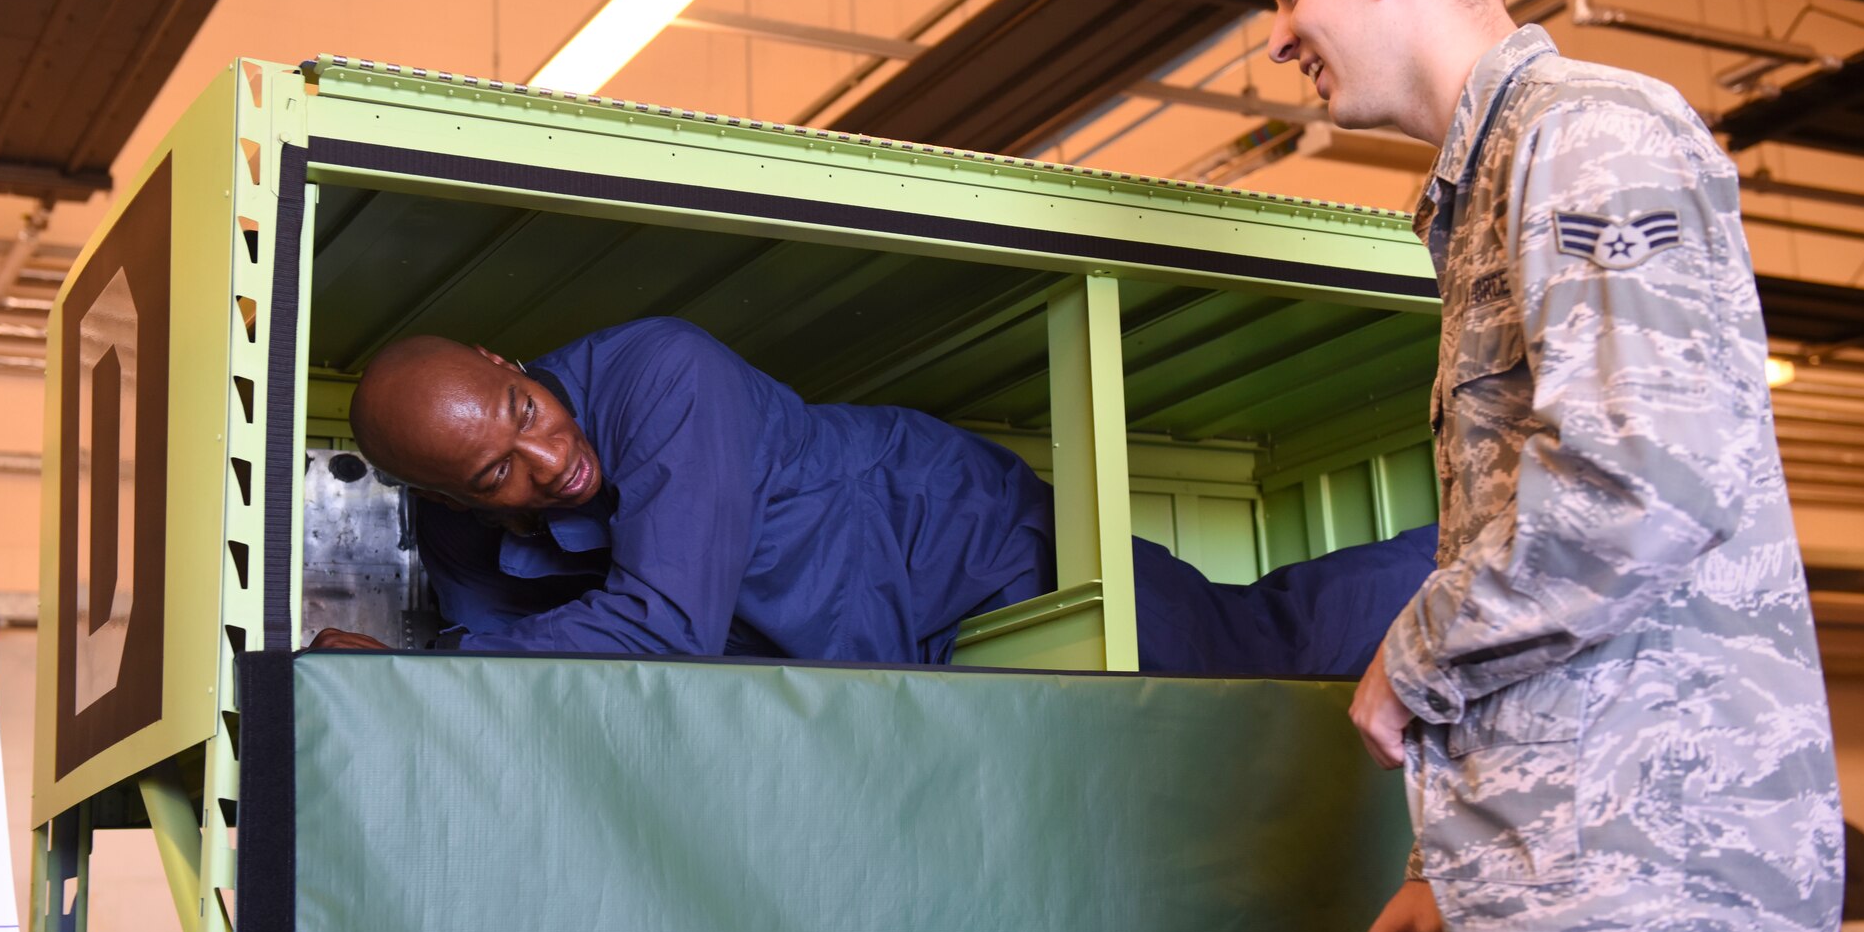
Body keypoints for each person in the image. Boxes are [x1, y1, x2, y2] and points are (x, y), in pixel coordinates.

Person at [1266, 0, 1843, 932]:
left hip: (1645, 908)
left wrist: (1405, 662)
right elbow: (1528, 551)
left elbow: (1637, 486)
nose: (1277, 36)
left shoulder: (1587, 135)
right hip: (1562, 903)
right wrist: (1443, 867)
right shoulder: (1481, 189)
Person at [310, 316, 1436, 675]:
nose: (547, 461)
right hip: (885, 640)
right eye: (496, 473)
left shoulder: (662, 373)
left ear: (509, 363)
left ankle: (1487, 551)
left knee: (1246, 645)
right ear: (438, 495)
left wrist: (420, 671)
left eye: (524, 413)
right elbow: (516, 667)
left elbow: (659, 627)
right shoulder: (460, 530)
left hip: (965, 541)